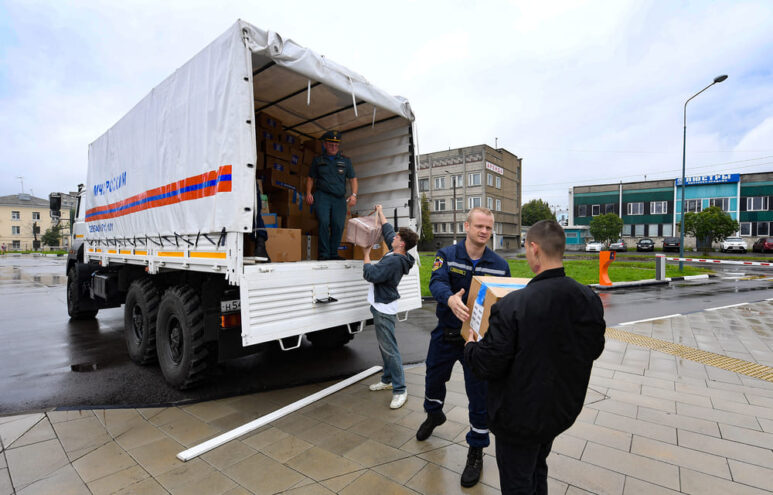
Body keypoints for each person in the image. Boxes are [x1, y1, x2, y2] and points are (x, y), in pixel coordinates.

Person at [464, 220, 606, 494]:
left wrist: (471, 347)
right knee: (538, 467)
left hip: (517, 419)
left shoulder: (513, 305)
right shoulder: (588, 298)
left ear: (534, 248)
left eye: (526, 248)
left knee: (518, 481)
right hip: (560, 412)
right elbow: (594, 349)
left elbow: (487, 363)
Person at [417, 207, 511, 488]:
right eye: (479, 226)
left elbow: (502, 299)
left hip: (477, 343)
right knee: (433, 378)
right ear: (467, 226)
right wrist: (449, 299)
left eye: (488, 228)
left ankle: (476, 450)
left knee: (479, 396)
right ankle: (434, 414)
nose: (484, 232)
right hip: (446, 334)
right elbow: (436, 282)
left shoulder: (499, 264)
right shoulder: (446, 255)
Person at [362, 204, 418, 410]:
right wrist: (380, 212)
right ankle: (387, 379)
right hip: (382, 304)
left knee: (390, 349)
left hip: (383, 308)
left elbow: (371, 275)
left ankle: (400, 389)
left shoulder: (395, 261)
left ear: (401, 244)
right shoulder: (398, 254)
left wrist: (366, 254)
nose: (392, 237)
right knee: (384, 345)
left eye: (396, 237)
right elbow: (387, 232)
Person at [305, 130, 358, 260]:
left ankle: (333, 254)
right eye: (330, 144)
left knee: (338, 225)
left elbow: (353, 179)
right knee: (323, 222)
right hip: (322, 196)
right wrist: (308, 193)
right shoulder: (318, 160)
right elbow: (310, 178)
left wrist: (354, 195)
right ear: (324, 144)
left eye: (336, 144)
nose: (333, 147)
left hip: (339, 199)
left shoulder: (346, 161)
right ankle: (324, 254)